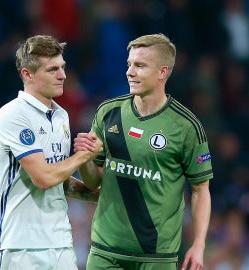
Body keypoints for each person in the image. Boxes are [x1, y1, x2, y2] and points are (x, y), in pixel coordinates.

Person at [74, 33, 213, 270]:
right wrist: (84, 159)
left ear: (162, 72)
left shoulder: (186, 127)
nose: (130, 72)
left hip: (156, 257)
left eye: (140, 65)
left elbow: (201, 191)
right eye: (129, 65)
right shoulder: (109, 112)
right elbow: (93, 180)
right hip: (105, 252)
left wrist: (198, 245)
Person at [0, 34, 102, 270]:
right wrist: (84, 154)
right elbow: (43, 178)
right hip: (20, 247)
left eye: (62, 67)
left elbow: (58, 180)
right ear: (27, 74)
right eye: (52, 70)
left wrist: (98, 194)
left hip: (60, 243)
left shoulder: (61, 115)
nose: (62, 75)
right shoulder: (14, 114)